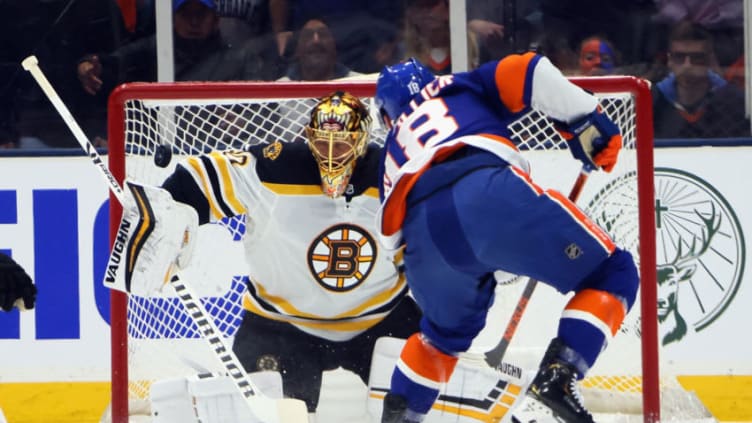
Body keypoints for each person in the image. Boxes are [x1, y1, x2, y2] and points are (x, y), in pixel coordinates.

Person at [104, 92, 422, 417]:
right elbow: (195, 179)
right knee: (262, 415)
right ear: (308, 137)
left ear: (361, 142)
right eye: (320, 142)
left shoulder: (394, 176)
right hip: (279, 326)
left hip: (382, 319)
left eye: (340, 144)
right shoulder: (274, 169)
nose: (329, 155)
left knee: (432, 400)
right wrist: (162, 221)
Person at [373, 56, 639, 423]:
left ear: (387, 117)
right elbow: (530, 70)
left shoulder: (391, 150)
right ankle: (556, 382)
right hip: (484, 191)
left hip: (424, 240)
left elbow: (391, 243)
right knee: (614, 272)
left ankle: (400, 418)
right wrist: (584, 118)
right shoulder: (454, 87)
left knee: (439, 340)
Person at [77, 0, 272, 99]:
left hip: (219, 147)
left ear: (216, 20)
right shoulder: (155, 47)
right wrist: (88, 65)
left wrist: (242, 117)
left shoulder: (239, 58)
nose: (194, 22)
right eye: (186, 14)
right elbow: (114, 61)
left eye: (201, 14)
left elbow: (262, 107)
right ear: (172, 19)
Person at [652, 20, 749, 138]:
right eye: (679, 57)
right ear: (669, 60)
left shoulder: (738, 103)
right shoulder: (651, 101)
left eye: (697, 58)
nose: (687, 66)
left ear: (710, 60)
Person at [277, 17, 360, 81]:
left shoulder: (361, 84)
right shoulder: (276, 94)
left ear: (334, 45)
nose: (316, 41)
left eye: (323, 34)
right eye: (308, 35)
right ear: (297, 50)